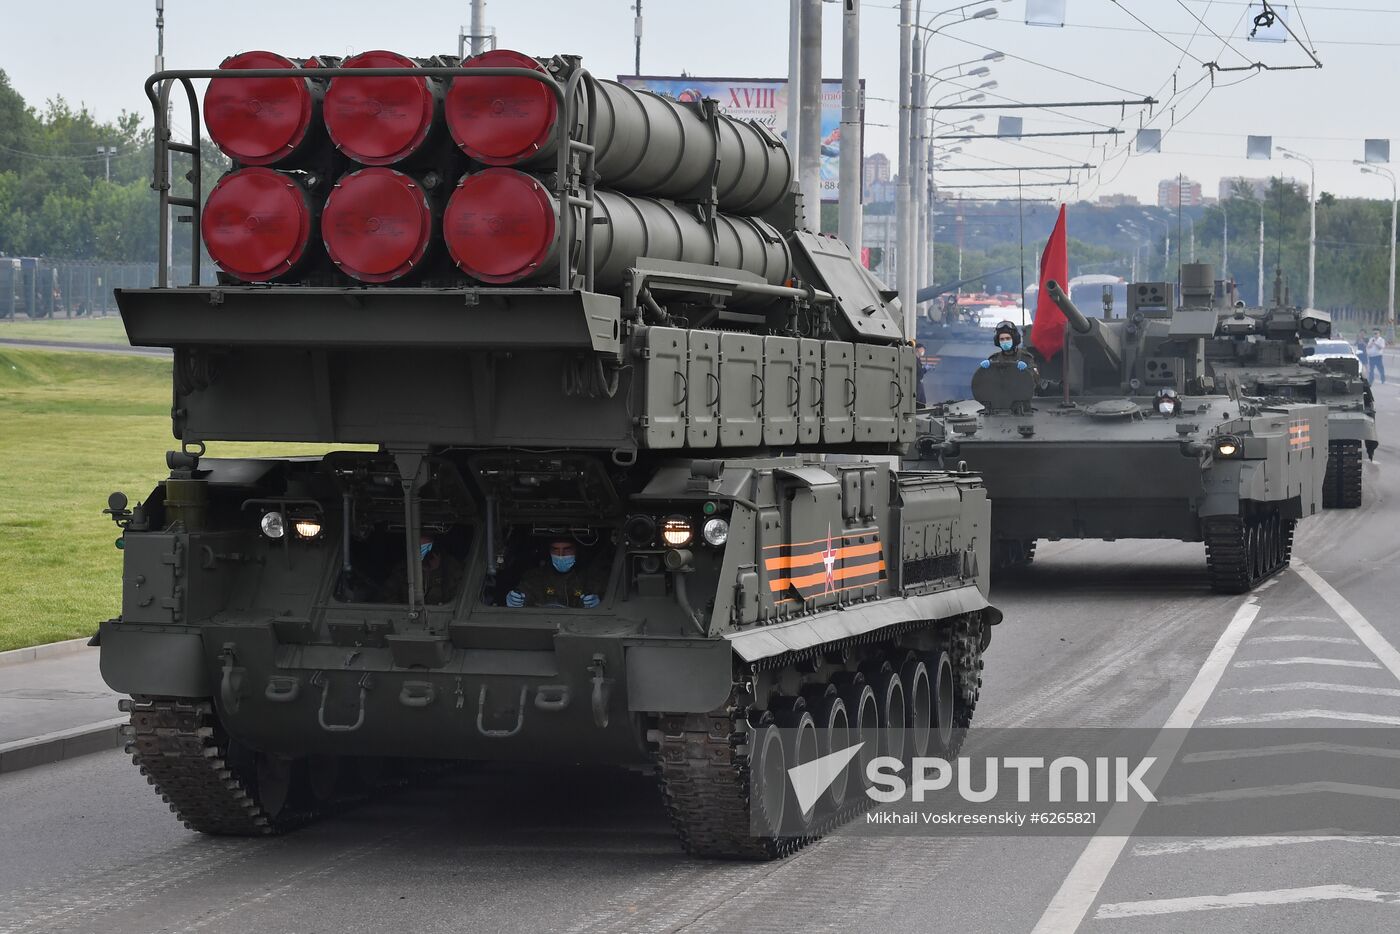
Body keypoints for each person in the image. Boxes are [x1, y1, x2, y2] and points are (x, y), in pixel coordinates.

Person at [507, 539, 602, 609]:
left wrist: (598, 603)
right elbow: (525, 593)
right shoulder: (535, 576)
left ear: (577, 550)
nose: (561, 555)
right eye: (555, 549)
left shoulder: (589, 576)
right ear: (549, 551)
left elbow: (605, 598)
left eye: (567, 549)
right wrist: (516, 600)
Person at [382, 533, 464, 605]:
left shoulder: (450, 567)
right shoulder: (403, 569)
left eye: (426, 548)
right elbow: (386, 597)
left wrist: (435, 571)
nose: (422, 553)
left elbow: (459, 599)